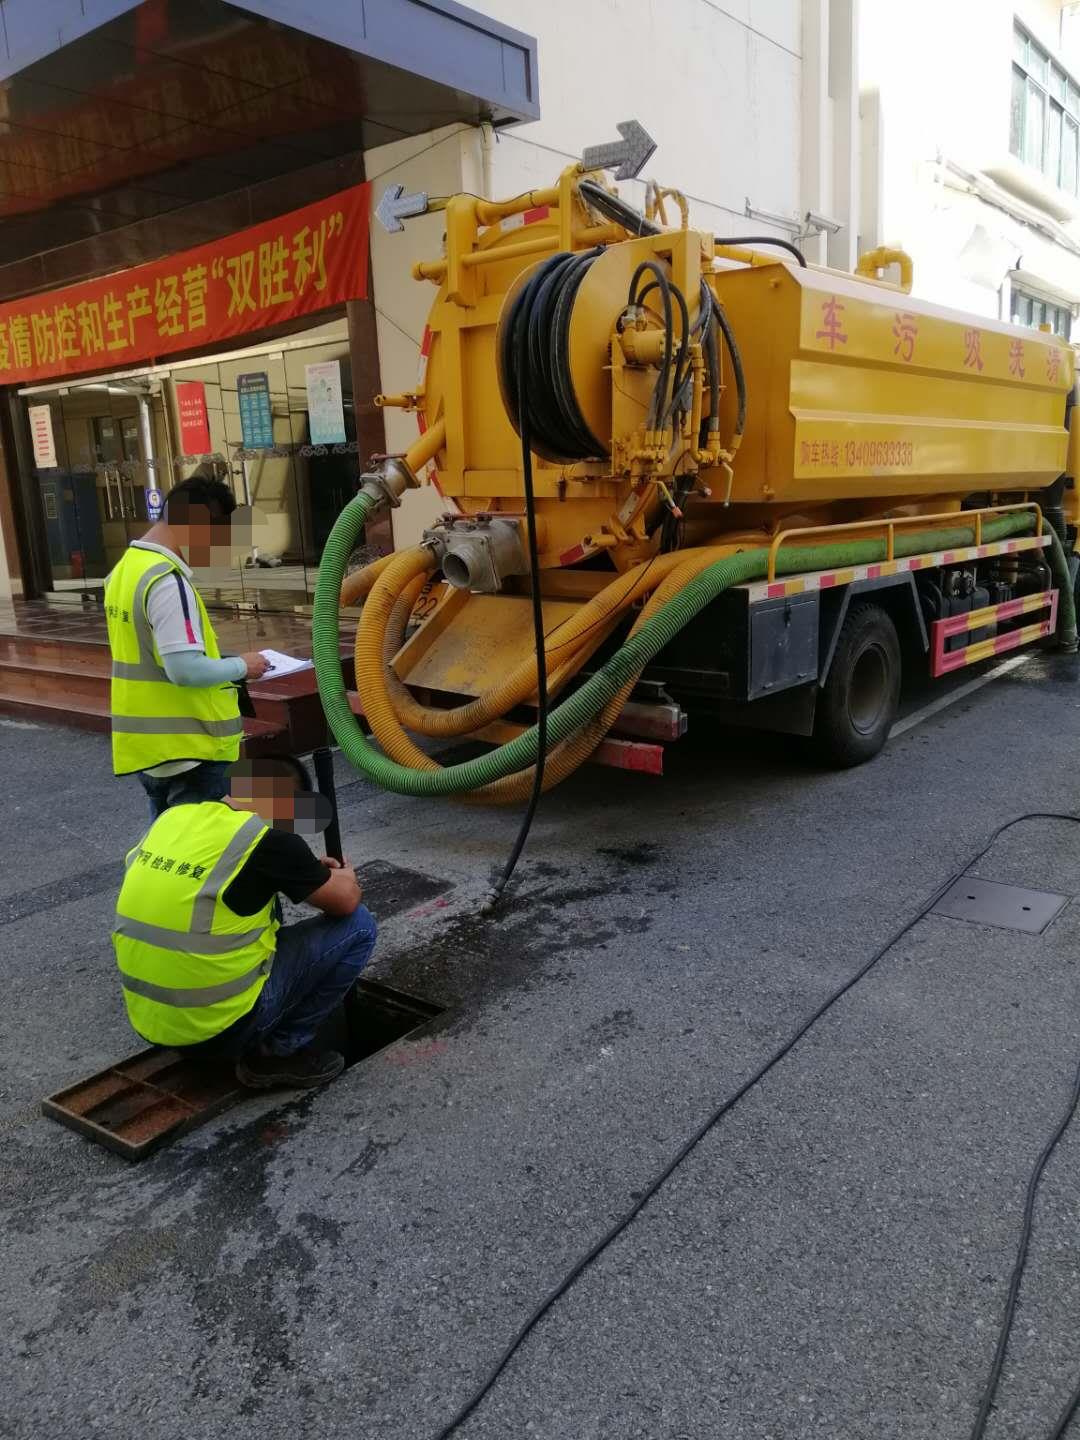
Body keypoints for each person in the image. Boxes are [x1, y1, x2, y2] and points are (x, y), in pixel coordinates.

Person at [112, 758, 377, 1089]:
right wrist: (344, 876)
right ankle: (278, 1054)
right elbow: (346, 900)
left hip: (152, 1023)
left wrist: (305, 871)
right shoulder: (267, 840)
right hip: (220, 1029)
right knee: (360, 926)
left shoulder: (173, 818)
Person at [104, 467, 270, 818]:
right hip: (191, 754)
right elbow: (183, 669)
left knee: (170, 856)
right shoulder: (166, 580)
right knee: (209, 862)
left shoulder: (125, 569)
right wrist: (244, 666)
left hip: (154, 754)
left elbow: (153, 654)